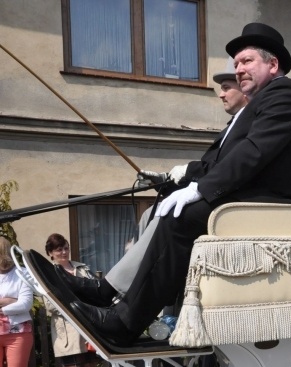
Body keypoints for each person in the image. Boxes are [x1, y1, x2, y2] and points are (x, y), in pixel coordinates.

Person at [67, 23, 291, 347]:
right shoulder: (255, 105)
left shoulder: (285, 94)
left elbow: (254, 153)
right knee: (166, 207)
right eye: (236, 63)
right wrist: (181, 177)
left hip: (273, 203)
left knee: (182, 216)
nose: (238, 69)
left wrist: (200, 189)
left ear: (272, 64)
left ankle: (124, 321)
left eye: (247, 61)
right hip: (251, 196)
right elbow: (219, 161)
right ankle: (110, 294)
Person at [61, 58, 249, 307]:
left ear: (244, 89)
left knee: (166, 214)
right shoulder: (232, 125)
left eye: (226, 87)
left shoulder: (249, 123)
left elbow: (224, 168)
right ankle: (128, 290)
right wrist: (167, 178)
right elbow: (209, 167)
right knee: (150, 213)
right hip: (217, 196)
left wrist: (186, 174)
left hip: (230, 205)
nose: (221, 95)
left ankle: (108, 289)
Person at [45, 234, 103, 367]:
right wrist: (76, 300)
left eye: (65, 248)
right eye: (58, 249)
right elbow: (49, 305)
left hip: (88, 327)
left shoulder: (82, 269)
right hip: (67, 330)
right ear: (50, 253)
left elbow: (95, 293)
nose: (63, 252)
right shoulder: (48, 273)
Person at [0, 237, 34, 367]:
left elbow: (26, 303)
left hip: (18, 333)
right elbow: (18, 302)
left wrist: (2, 306)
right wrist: (10, 301)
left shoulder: (22, 273)